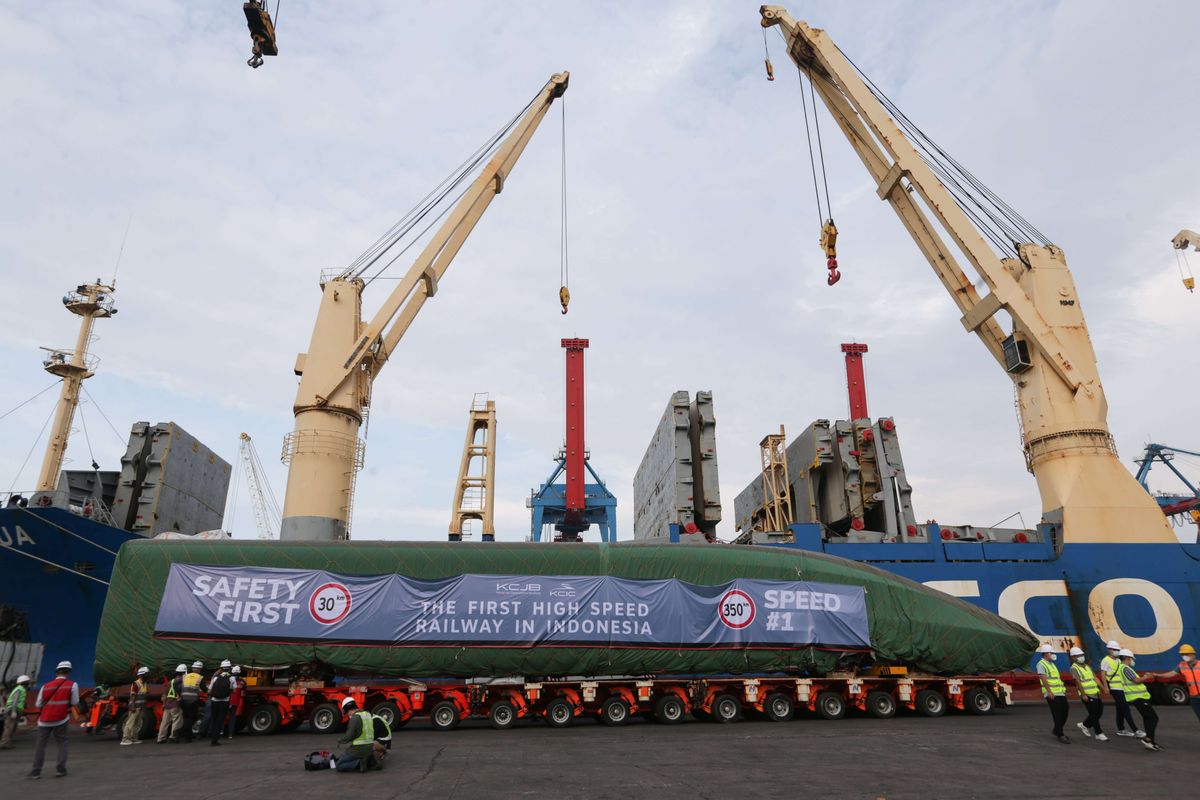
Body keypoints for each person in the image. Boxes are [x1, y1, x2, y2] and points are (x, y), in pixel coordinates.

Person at [28, 660, 80, 780]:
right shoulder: (72, 685)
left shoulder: (45, 686)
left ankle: (36, 772)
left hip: (44, 721)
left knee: (40, 746)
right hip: (61, 720)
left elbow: (38, 704)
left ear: (56, 672)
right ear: (69, 672)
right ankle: (60, 770)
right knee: (62, 743)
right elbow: (74, 702)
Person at [1118, 648, 1159, 751]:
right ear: (1127, 658)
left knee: (1147, 718)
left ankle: (1151, 742)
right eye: (1132, 658)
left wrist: (1144, 676)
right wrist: (1146, 677)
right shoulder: (1125, 668)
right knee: (1153, 718)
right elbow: (1136, 681)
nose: (1133, 661)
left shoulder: (1124, 668)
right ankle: (1148, 739)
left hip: (1137, 698)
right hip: (1138, 698)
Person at [1097, 639, 1140, 737]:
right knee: (1125, 708)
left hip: (1122, 688)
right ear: (1109, 650)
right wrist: (1105, 687)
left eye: (1117, 649)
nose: (1117, 651)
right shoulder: (1105, 660)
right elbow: (1103, 675)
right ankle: (1135, 730)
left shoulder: (1119, 660)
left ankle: (1121, 729)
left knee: (1120, 709)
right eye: (1115, 649)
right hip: (1114, 688)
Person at [1152, 643, 1200, 724]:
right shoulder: (1182, 665)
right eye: (1183, 654)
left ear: (1193, 654)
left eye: (1187, 654)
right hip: (1194, 697)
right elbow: (1171, 673)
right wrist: (1158, 675)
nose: (1185, 656)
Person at [1067, 646, 1106, 741]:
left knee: (1099, 712)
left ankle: (1084, 725)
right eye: (1078, 655)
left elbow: (1095, 678)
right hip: (1087, 694)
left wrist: (1103, 688)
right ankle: (1099, 733)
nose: (1081, 657)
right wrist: (1083, 694)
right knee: (1093, 714)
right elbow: (1078, 682)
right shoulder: (1074, 668)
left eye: (1082, 655)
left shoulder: (1087, 666)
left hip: (1095, 692)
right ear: (1073, 657)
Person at [335, 697, 382, 772]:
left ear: (348, 710)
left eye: (347, 712)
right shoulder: (368, 715)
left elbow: (349, 736)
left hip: (358, 750)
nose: (348, 714)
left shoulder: (355, 718)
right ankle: (370, 760)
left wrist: (340, 740)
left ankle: (360, 763)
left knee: (339, 765)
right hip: (370, 748)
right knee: (344, 755)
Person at [1035, 644, 1069, 743]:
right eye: (1052, 653)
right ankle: (1060, 734)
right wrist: (1049, 691)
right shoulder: (1041, 664)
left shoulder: (1052, 664)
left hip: (1060, 692)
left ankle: (1056, 730)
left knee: (1065, 711)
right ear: (1045, 654)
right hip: (1052, 693)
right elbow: (1043, 678)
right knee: (1057, 714)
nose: (1054, 655)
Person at [119, 667, 150, 746]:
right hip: (135, 707)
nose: (148, 676)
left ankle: (134, 738)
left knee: (138, 724)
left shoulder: (144, 683)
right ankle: (125, 739)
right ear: (141, 675)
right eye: (146, 674)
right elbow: (132, 696)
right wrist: (132, 706)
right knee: (130, 723)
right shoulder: (136, 683)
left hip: (140, 707)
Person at [157, 665, 187, 743]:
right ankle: (173, 737)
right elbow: (182, 693)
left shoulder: (169, 682)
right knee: (176, 721)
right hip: (175, 704)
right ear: (184, 673)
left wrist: (164, 703)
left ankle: (160, 738)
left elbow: (163, 695)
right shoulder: (181, 682)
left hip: (167, 704)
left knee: (165, 722)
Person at [1, 675, 31, 749]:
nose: (29, 684)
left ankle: (6, 743)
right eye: (27, 682)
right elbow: (15, 701)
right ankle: (4, 743)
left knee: (12, 727)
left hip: (16, 710)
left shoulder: (21, 689)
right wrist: (13, 711)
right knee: (9, 728)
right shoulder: (19, 689)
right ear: (24, 682)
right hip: (12, 710)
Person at [207, 665, 231, 746]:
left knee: (214, 719)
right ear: (229, 668)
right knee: (220, 721)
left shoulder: (215, 678)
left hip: (214, 701)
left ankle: (211, 737)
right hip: (224, 701)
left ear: (221, 668)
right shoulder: (231, 678)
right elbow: (233, 690)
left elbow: (209, 691)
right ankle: (215, 740)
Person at [180, 661, 203, 742]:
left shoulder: (185, 676)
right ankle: (179, 732)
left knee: (186, 719)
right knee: (192, 719)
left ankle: (188, 738)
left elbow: (178, 687)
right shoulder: (200, 677)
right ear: (200, 669)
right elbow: (205, 689)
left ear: (193, 668)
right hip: (193, 701)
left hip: (183, 701)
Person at [223, 666, 244, 739]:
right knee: (232, 718)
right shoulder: (243, 681)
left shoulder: (229, 679)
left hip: (227, 700)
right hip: (235, 702)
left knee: (222, 716)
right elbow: (243, 693)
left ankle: (220, 731)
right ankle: (230, 734)